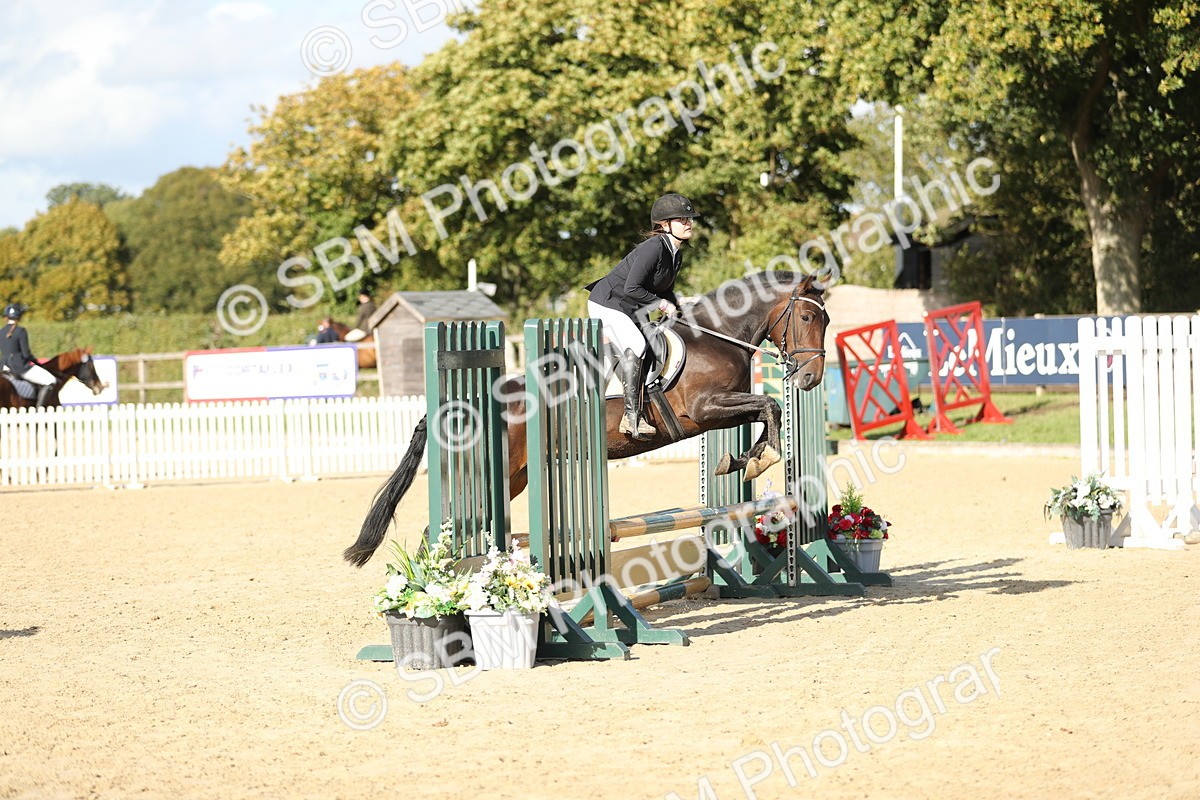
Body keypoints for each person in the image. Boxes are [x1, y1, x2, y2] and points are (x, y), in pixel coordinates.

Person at [586, 192, 699, 439]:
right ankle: (631, 416)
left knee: (653, 341)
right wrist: (661, 304)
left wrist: (679, 305)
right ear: (664, 224)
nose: (688, 222)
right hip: (608, 304)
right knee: (637, 344)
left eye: (689, 218)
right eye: (681, 219)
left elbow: (664, 290)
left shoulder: (675, 253)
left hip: (631, 307)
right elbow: (632, 288)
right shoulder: (653, 248)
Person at [0, 303, 57, 407]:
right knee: (51, 381)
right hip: (20, 367)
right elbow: (26, 354)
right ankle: (38, 410)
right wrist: (37, 362)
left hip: (4, 366)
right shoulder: (21, 331)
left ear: (6, 317)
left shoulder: (1, 331)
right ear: (19, 317)